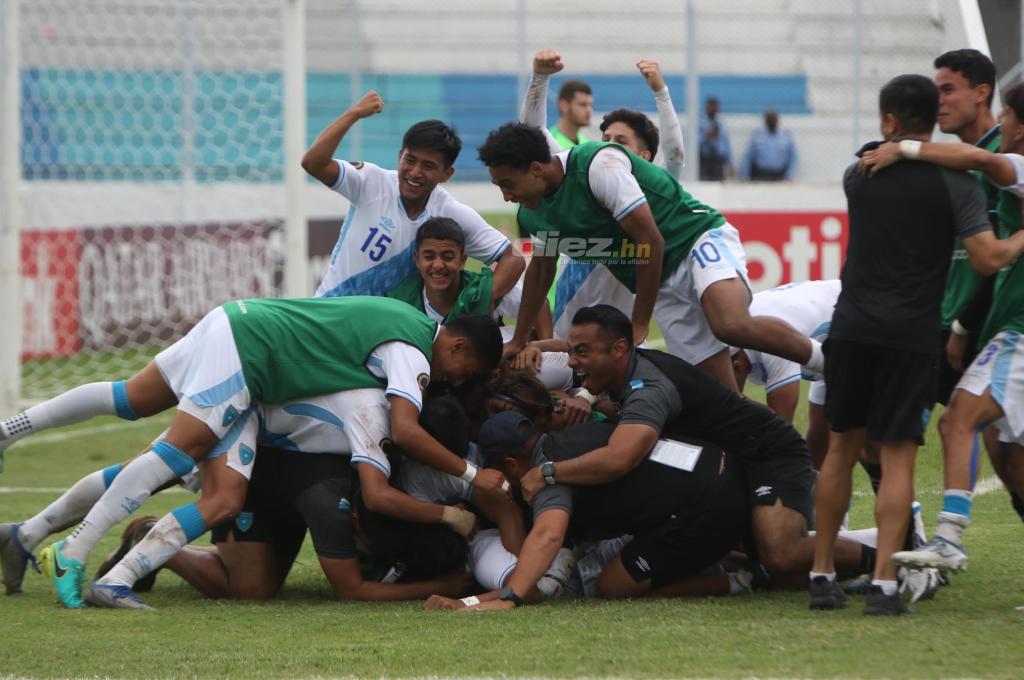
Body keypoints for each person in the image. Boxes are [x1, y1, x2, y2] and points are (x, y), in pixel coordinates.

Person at [8, 296, 503, 608]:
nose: (456, 380)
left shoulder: (403, 319)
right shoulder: (404, 368)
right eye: (466, 370)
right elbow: (403, 433)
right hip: (252, 357)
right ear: (457, 346)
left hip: (239, 326)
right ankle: (73, 555)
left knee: (130, 401)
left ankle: (20, 483)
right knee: (177, 460)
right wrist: (466, 478)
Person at [811, 75, 1024, 616]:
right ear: (935, 120)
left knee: (841, 448)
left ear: (888, 122)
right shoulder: (957, 186)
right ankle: (884, 584)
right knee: (898, 455)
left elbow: (880, 158)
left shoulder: (857, 173)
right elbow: (987, 259)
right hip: (909, 335)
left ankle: (821, 574)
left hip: (851, 325)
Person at [515, 306, 871, 583]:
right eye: (572, 351)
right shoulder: (620, 367)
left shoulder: (648, 390)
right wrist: (532, 345)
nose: (572, 362)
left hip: (766, 453)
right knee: (782, 575)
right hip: (726, 462)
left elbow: (619, 459)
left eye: (581, 352)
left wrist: (548, 472)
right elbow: (574, 349)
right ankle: (866, 537)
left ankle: (891, 558)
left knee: (781, 554)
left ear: (619, 349)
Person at [478, 123, 825, 391]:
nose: (507, 197)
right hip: (661, 280)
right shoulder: (534, 214)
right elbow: (540, 272)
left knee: (730, 323)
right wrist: (521, 339)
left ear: (537, 170)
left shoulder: (599, 166)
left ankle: (831, 364)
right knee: (720, 397)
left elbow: (650, 241)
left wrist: (640, 321)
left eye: (508, 184)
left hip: (694, 240)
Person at [423, 411, 751, 611]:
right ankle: (737, 559)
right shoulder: (575, 436)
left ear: (510, 464)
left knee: (612, 586)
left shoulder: (545, 475)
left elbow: (547, 539)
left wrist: (498, 600)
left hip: (709, 509)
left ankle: (738, 582)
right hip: (727, 471)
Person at [518, 49, 684, 338]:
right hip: (564, 340)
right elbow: (532, 132)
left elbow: (675, 157)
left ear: (644, 158)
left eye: (621, 142)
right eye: (606, 140)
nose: (610, 148)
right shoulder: (582, 178)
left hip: (615, 348)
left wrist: (661, 93)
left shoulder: (651, 197)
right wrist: (539, 77)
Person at [301, 91, 523, 301]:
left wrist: (479, 303)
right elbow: (313, 163)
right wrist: (354, 113)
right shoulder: (371, 181)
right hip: (330, 310)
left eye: (428, 165)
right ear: (400, 156)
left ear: (447, 174)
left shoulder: (450, 213)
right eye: (410, 160)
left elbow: (512, 259)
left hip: (385, 331)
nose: (415, 172)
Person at [730, 280, 839, 467]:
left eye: (724, 376)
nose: (722, 383)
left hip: (858, 326)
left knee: (859, 443)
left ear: (737, 365)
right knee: (819, 443)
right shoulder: (731, 330)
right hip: (827, 343)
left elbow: (780, 427)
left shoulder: (773, 343)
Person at [739, 109, 798, 181]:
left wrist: (789, 176)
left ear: (777, 120)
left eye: (773, 118)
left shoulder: (786, 137)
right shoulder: (757, 136)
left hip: (780, 175)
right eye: (769, 119)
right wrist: (744, 177)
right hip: (760, 175)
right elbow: (748, 157)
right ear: (765, 120)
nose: (771, 121)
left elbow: (794, 158)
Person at [549, 79, 593, 149]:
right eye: (582, 104)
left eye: (590, 105)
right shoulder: (549, 144)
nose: (589, 110)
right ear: (563, 105)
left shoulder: (586, 143)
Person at [699, 97, 732, 181]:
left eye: (715, 107)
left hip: (718, 161)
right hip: (705, 161)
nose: (714, 109)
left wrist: (730, 164)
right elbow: (693, 143)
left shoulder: (721, 123)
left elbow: (726, 144)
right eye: (711, 106)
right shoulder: (700, 122)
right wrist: (706, 136)